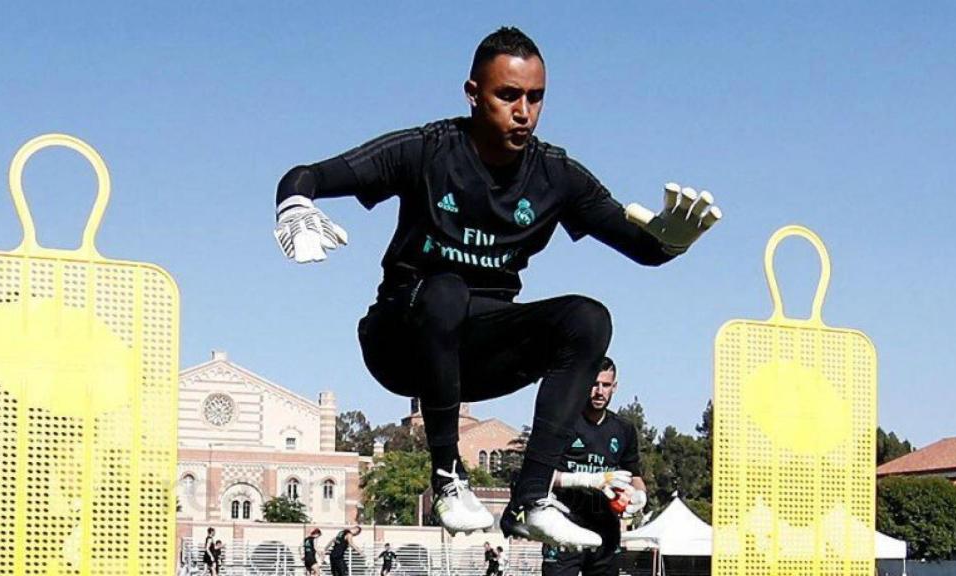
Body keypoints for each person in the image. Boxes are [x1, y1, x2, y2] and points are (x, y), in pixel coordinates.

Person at [274, 26, 721, 549]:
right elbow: (307, 173)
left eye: (535, 97)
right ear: (472, 94)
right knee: (446, 290)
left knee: (589, 317)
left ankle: (530, 500)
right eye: (508, 95)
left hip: (479, 356)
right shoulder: (428, 150)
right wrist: (295, 205)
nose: (523, 111)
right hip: (401, 340)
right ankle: (446, 477)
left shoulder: (556, 174)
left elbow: (642, 247)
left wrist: (672, 243)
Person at [541, 357, 647, 576]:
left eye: (606, 385)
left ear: (614, 387)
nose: (599, 392)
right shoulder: (562, 422)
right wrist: (584, 480)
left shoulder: (624, 429)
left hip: (606, 530)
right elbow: (539, 474)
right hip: (563, 525)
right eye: (594, 384)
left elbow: (634, 473)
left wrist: (640, 496)